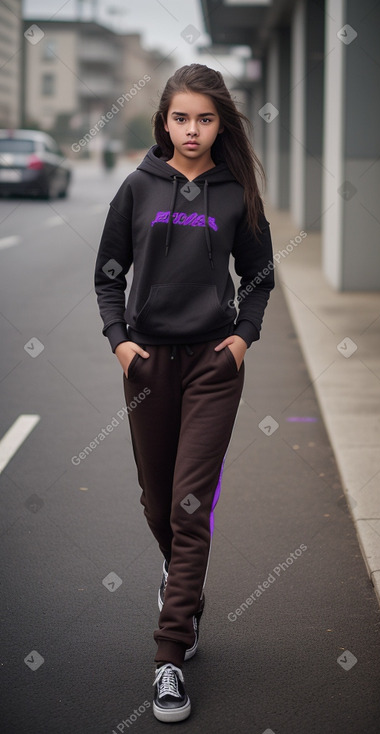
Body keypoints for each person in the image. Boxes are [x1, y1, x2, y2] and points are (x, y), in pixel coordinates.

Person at [94, 63, 274, 723]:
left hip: (211, 364)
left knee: (189, 504)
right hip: (148, 366)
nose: (191, 130)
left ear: (219, 123)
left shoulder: (234, 192)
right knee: (157, 501)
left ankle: (169, 654)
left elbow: (258, 275)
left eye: (204, 118)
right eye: (180, 118)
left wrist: (241, 338)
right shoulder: (138, 188)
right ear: (163, 121)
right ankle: (182, 586)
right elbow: (108, 272)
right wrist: (119, 340)